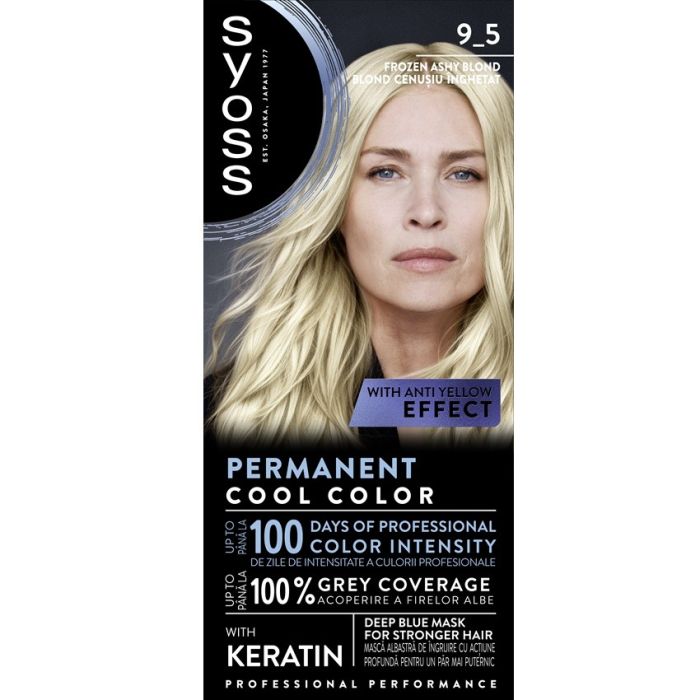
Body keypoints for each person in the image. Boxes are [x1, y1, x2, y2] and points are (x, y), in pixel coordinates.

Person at [206, 42, 513, 445]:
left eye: (464, 174)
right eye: (385, 172)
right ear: (334, 203)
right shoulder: (225, 417)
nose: (426, 212)